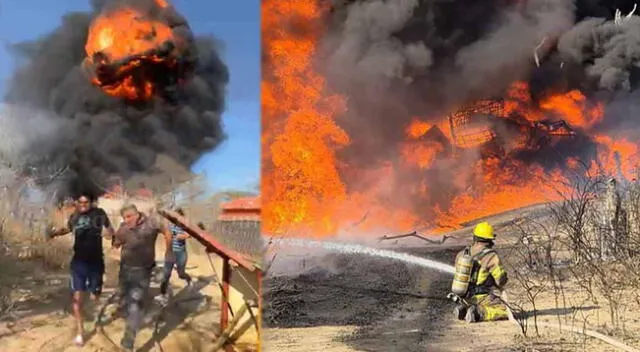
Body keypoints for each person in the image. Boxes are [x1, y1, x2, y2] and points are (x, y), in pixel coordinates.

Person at [47, 193, 114, 346]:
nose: (83, 204)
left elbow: (110, 230)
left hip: (96, 262)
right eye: (80, 202)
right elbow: (68, 229)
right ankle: (80, 332)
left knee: (94, 296)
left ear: (91, 202)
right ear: (77, 203)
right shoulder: (74, 216)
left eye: (86, 202)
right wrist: (55, 233)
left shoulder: (99, 214)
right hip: (79, 262)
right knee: (76, 300)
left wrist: (110, 235)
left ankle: (93, 301)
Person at [112, 203, 173, 351]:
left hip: (142, 271)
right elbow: (116, 244)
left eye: (129, 217)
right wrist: (113, 240)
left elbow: (167, 231)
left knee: (135, 305)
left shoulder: (151, 224)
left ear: (137, 214)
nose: (126, 220)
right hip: (125, 270)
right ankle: (125, 309)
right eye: (124, 217)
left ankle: (128, 342)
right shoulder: (124, 228)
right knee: (122, 295)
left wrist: (169, 251)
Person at [451, 221, 509, 323]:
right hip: (482, 297)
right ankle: (478, 313)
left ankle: (463, 309)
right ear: (490, 240)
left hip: (464, 297)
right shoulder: (491, 256)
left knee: (471, 303)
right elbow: (500, 280)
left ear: (475, 238)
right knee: (505, 309)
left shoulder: (462, 254)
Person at [156, 207, 193, 305]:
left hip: (181, 253)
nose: (175, 218)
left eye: (177, 216)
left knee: (181, 274)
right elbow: (161, 230)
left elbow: (189, 234)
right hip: (170, 253)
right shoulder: (168, 224)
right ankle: (162, 294)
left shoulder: (184, 225)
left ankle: (189, 280)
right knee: (166, 275)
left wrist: (183, 236)